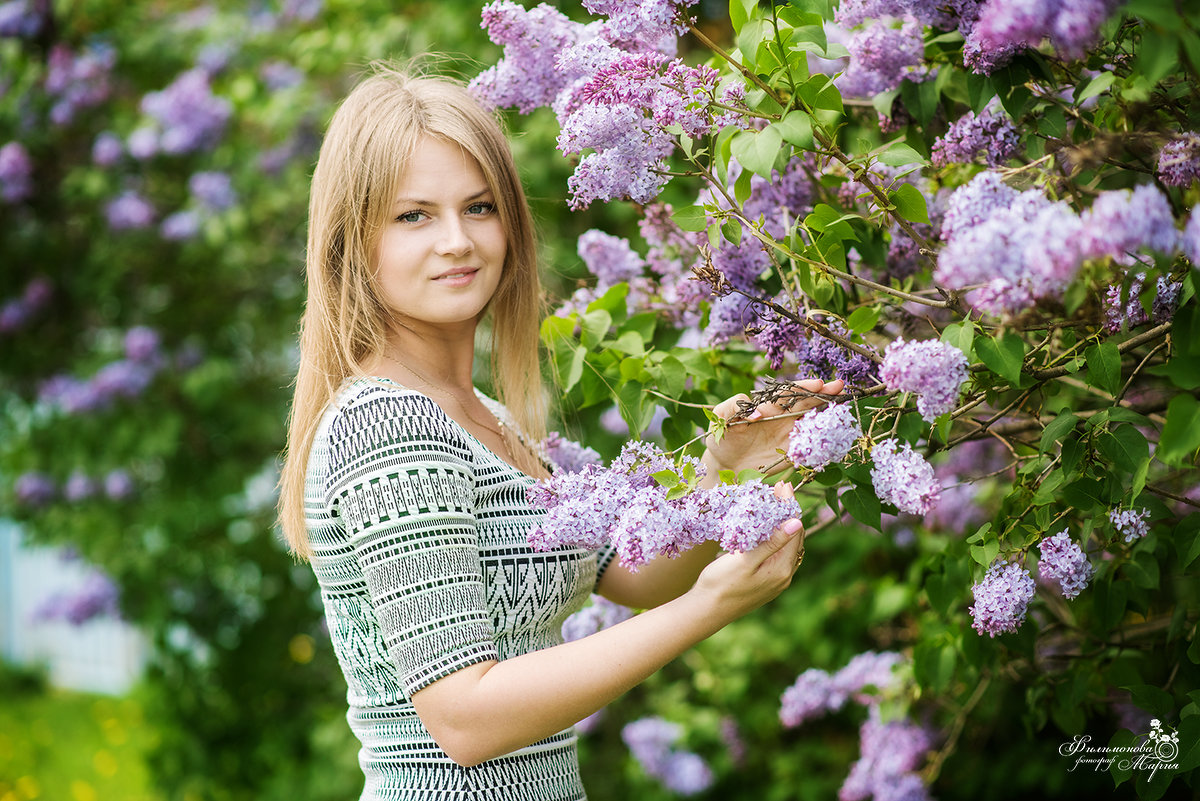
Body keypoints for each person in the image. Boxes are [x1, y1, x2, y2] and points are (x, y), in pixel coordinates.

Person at [277, 64, 843, 801]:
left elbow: (629, 573)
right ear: (354, 238)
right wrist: (711, 607)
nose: (457, 240)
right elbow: (466, 719)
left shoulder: (485, 417)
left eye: (478, 207)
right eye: (413, 215)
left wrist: (725, 472)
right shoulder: (387, 425)